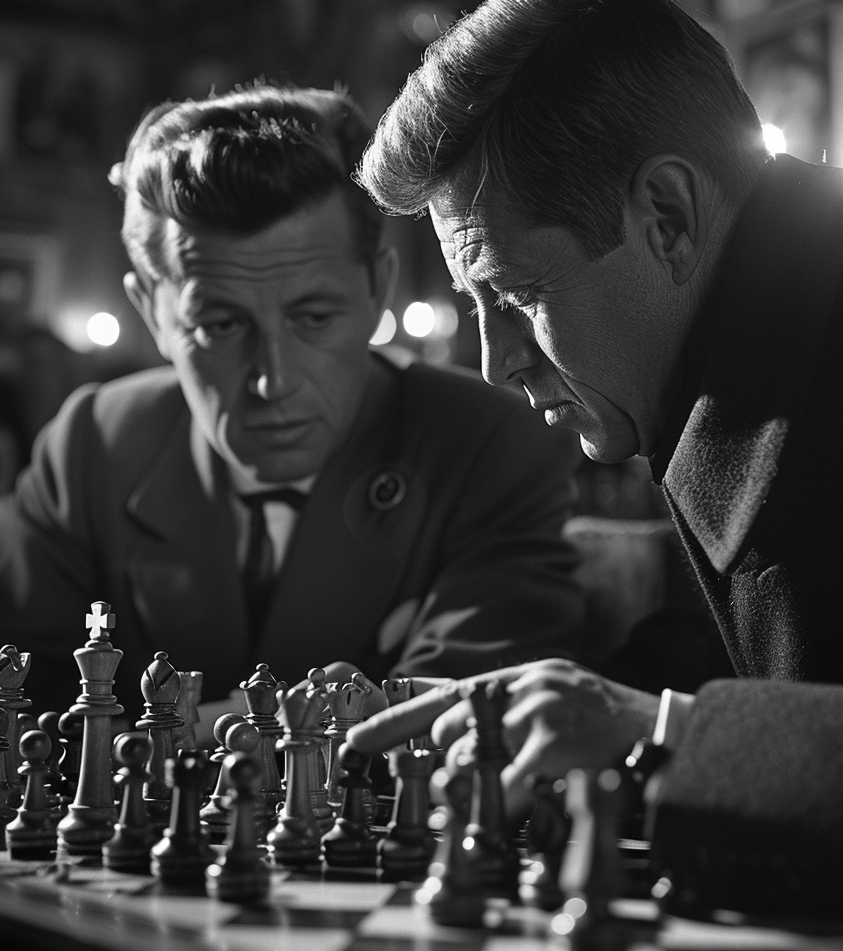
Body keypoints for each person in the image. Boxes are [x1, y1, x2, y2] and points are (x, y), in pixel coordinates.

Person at [350, 0, 843, 928]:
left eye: (520, 295)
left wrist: (652, 735)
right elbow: (717, 677)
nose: (495, 363)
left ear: (666, 214)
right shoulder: (716, 376)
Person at [0, 84, 585, 730]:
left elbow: (465, 717)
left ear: (376, 290)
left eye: (312, 317)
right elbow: (20, 706)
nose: (272, 381)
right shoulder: (90, 448)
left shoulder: (489, 443)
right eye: (222, 326)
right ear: (151, 314)